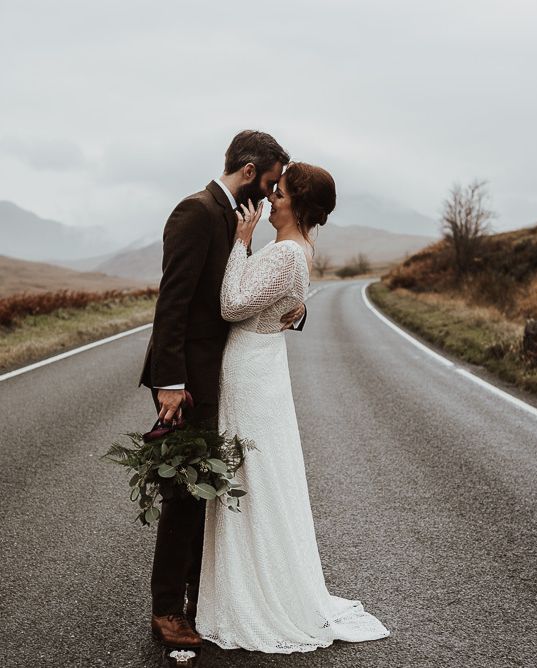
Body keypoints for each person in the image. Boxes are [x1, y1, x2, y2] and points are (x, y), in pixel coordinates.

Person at [196, 162, 390, 652]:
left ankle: (256, 596)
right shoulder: (299, 248)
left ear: (298, 205)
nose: (270, 199)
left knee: (251, 475)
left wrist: (241, 242)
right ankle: (254, 581)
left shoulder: (285, 253)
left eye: (279, 193)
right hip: (262, 364)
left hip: (250, 369)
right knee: (259, 473)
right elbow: (277, 301)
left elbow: (231, 306)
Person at [139, 130, 304, 649]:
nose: (273, 192)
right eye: (273, 180)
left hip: (219, 375)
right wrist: (170, 383)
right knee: (184, 495)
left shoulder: (237, 216)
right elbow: (173, 303)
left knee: (207, 492)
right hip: (186, 382)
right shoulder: (196, 211)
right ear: (252, 171)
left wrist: (293, 313)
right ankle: (167, 611)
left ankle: (198, 601)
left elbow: (248, 292)